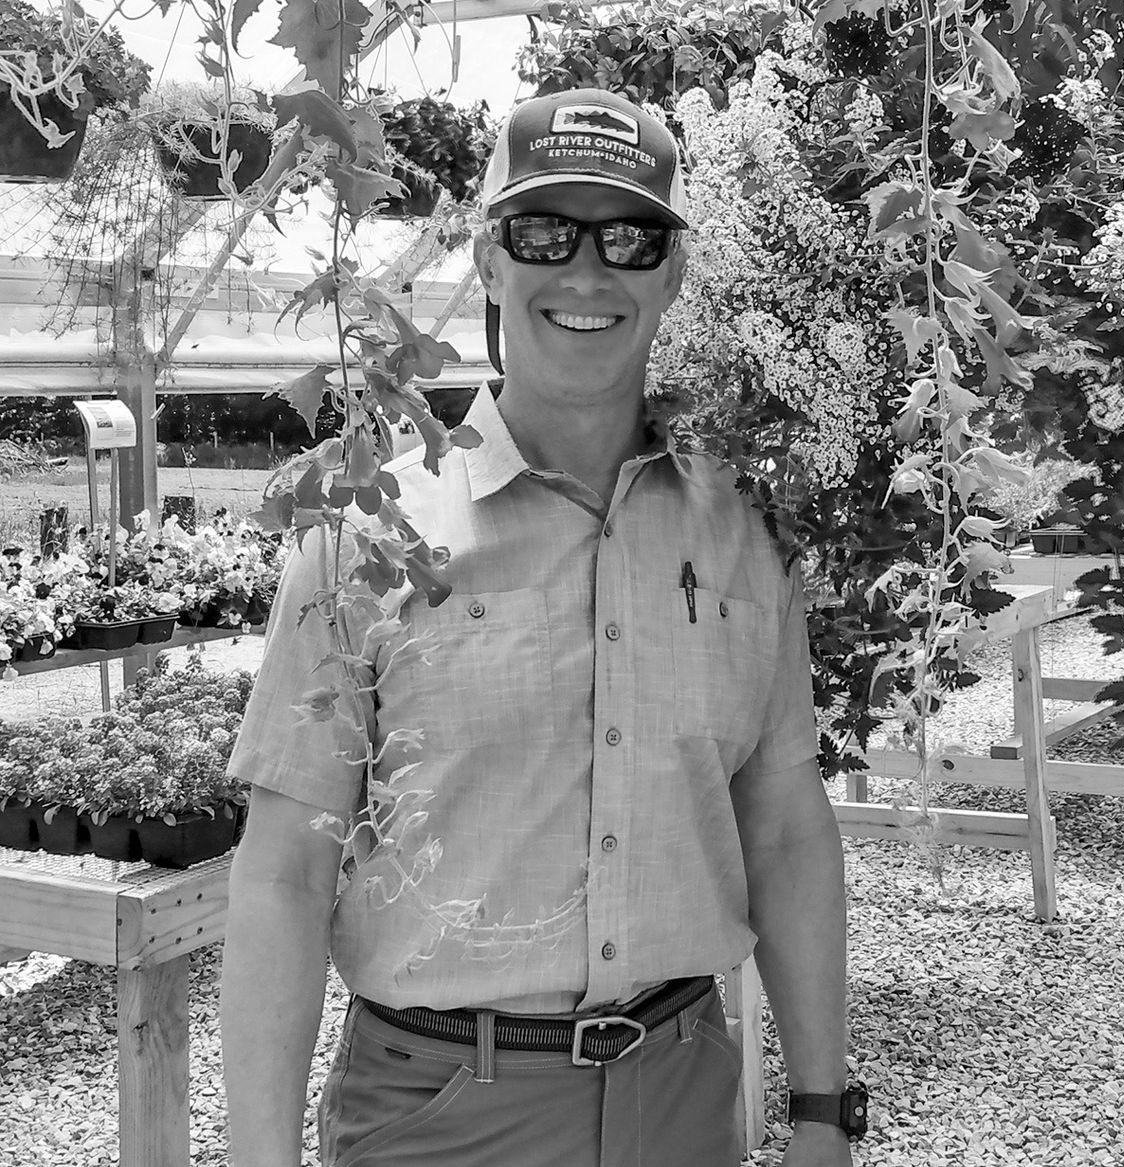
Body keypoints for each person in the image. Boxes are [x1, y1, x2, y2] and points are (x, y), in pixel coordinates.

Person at [221, 87, 859, 1167]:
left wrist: (821, 1111)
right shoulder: (370, 526)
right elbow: (285, 869)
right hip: (438, 1117)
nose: (587, 270)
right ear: (487, 257)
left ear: (676, 270)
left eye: (630, 235)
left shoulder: (743, 528)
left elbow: (788, 825)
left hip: (685, 1099)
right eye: (544, 230)